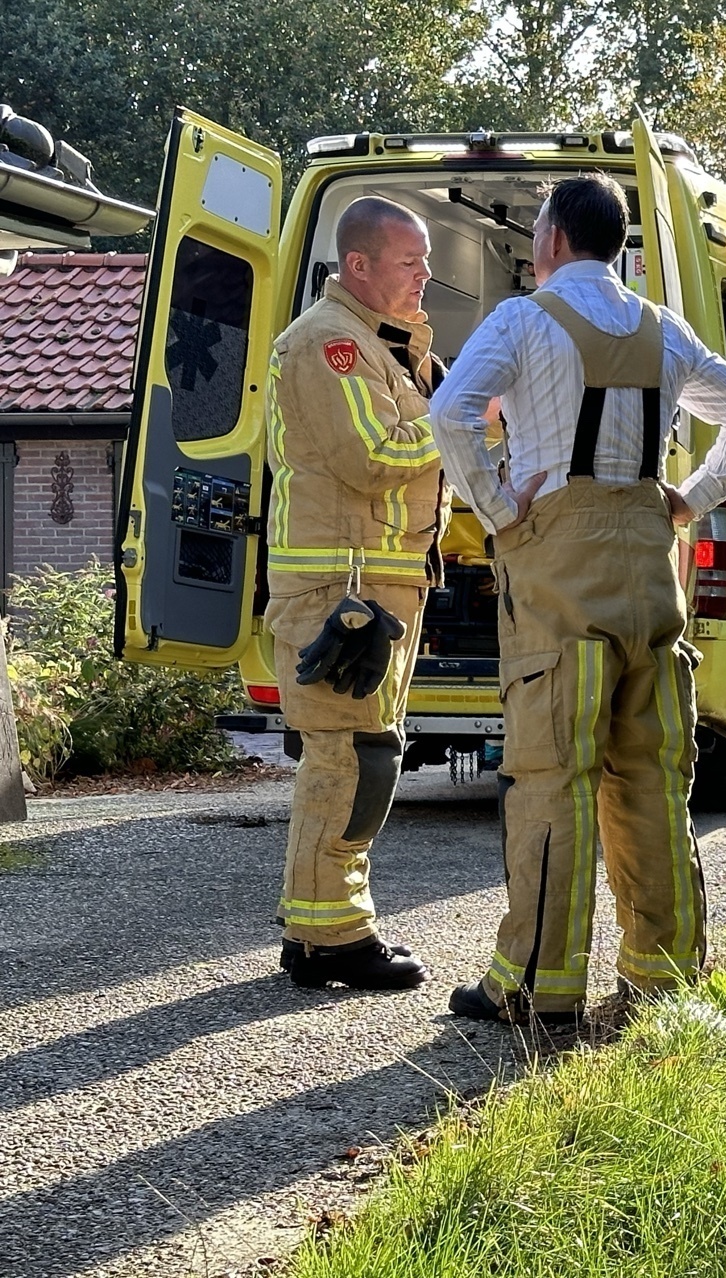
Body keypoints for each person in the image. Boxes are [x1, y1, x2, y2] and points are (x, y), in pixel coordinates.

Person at [429, 173, 726, 1025]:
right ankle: (664, 981)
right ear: (618, 244)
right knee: (653, 777)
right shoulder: (665, 330)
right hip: (649, 570)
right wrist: (690, 498)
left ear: (549, 241)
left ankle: (535, 987)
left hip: (560, 570)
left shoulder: (521, 319)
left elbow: (451, 411)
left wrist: (500, 505)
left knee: (554, 773)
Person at [271, 196, 445, 990]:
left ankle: (317, 930)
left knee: (362, 758)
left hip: (376, 593)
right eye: (411, 261)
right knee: (347, 764)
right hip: (338, 598)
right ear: (359, 265)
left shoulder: (387, 347)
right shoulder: (329, 344)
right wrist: (464, 414)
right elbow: (374, 456)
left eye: (425, 260)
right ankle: (332, 938)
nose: (426, 275)